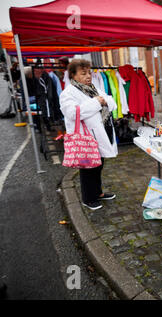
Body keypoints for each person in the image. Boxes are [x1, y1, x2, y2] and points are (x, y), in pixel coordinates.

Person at [59, 59, 118, 210]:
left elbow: (111, 102)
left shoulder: (93, 88)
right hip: (86, 137)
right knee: (88, 168)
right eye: (83, 73)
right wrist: (97, 102)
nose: (88, 76)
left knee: (98, 165)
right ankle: (88, 198)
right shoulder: (68, 93)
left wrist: (102, 101)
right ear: (73, 75)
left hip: (100, 132)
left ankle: (97, 193)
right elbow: (72, 113)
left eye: (89, 73)